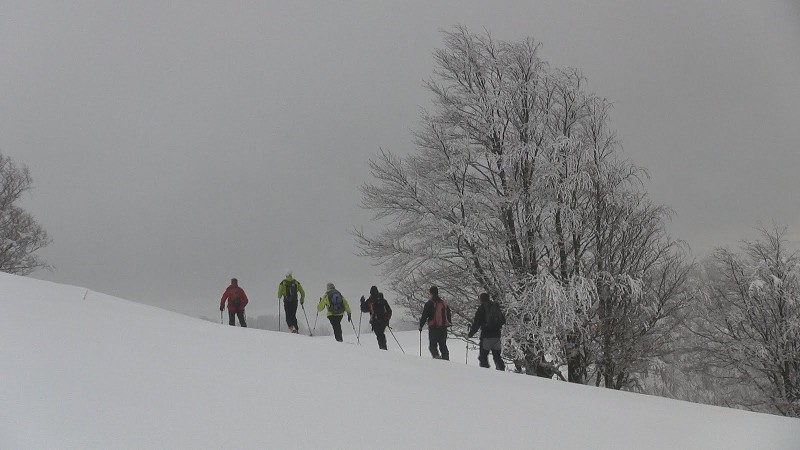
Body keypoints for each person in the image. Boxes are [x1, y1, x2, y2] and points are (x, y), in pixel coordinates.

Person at [468, 293, 506, 370]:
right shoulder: (496, 307)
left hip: (486, 337)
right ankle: (502, 372)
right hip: (497, 337)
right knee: (497, 357)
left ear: (481, 299)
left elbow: (476, 324)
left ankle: (486, 375)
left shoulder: (481, 309)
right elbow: (503, 320)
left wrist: (470, 334)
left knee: (483, 357)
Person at [419, 285, 451, 360]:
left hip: (433, 328)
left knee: (432, 346)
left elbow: (424, 316)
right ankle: (446, 359)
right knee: (443, 345)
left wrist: (421, 326)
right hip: (443, 328)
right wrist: (448, 324)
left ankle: (437, 359)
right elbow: (449, 314)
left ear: (431, 293)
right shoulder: (443, 303)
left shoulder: (429, 304)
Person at [360, 286, 392, 350]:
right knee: (381, 334)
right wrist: (387, 320)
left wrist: (362, 302)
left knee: (379, 335)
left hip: (375, 321)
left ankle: (382, 348)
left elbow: (364, 309)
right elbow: (389, 311)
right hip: (383, 321)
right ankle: (383, 347)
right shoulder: (383, 300)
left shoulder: (370, 301)